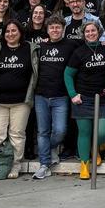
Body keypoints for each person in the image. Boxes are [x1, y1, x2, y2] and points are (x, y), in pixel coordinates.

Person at [0, 19, 37, 179]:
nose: (10, 34)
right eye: (7, 31)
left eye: (14, 30)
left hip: (21, 101)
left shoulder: (30, 48)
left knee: (17, 134)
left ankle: (15, 165)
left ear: (20, 32)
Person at [65, 20, 105, 180]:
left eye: (93, 31)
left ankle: (96, 148)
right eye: (87, 32)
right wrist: (73, 94)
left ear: (99, 33)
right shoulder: (79, 52)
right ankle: (84, 165)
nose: (91, 33)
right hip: (83, 98)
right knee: (84, 132)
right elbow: (68, 74)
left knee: (103, 131)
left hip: (104, 98)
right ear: (83, 34)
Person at [32, 14, 76, 179]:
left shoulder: (70, 45)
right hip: (41, 95)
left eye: (58, 27)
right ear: (47, 30)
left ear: (63, 29)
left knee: (60, 131)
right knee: (43, 131)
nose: (55, 30)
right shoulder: (39, 47)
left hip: (61, 96)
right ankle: (44, 164)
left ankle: (50, 148)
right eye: (52, 27)